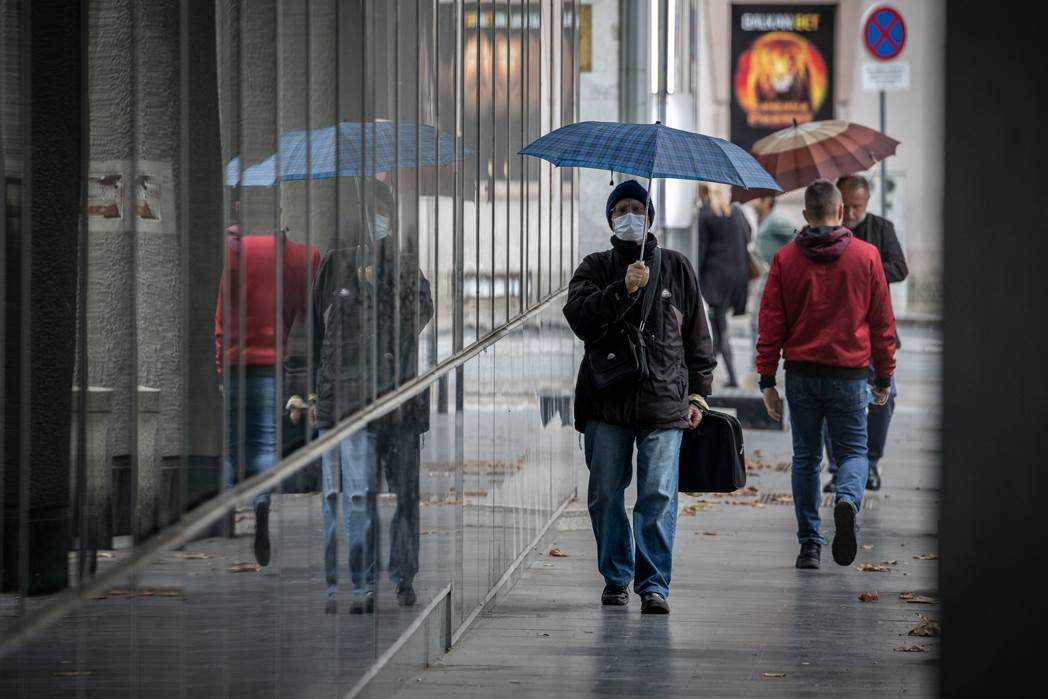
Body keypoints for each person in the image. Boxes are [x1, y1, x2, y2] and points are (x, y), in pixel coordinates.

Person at [564, 179, 717, 614]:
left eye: (637, 208)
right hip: (607, 401)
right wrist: (621, 291)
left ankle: (654, 584)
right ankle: (616, 576)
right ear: (611, 219)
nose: (629, 215)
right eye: (621, 209)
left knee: (657, 495)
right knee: (606, 494)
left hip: (664, 401)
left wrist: (699, 395)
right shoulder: (594, 267)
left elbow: (697, 341)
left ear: (650, 217)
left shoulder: (677, 267)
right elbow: (579, 319)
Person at [756, 180, 896, 570]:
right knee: (854, 452)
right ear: (839, 212)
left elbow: (770, 323)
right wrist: (883, 377)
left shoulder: (785, 259)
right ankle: (848, 501)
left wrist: (767, 380)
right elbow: (883, 323)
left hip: (800, 375)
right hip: (850, 375)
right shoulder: (867, 257)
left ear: (805, 215)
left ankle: (809, 546)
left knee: (805, 458)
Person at [311, 179, 433, 614]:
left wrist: (379, 288)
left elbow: (416, 320)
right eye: (369, 212)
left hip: (400, 403)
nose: (375, 220)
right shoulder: (333, 267)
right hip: (351, 400)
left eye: (382, 212)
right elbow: (317, 332)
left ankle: (403, 576)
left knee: (402, 492)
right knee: (354, 492)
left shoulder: (405, 269)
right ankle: (357, 581)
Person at [214, 223, 320, 567]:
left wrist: (220, 366)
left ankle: (229, 509)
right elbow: (305, 313)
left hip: (235, 364)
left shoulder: (233, 259)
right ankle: (261, 501)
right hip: (270, 363)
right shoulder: (293, 261)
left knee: (233, 442)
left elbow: (220, 320)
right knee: (264, 443)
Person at [823, 175, 909, 493]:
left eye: (858, 206)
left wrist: (866, 270)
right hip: (835, 332)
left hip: (874, 331)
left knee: (885, 398)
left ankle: (870, 462)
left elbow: (900, 268)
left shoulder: (882, 229)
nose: (852, 212)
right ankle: (838, 468)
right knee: (831, 403)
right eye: (846, 205)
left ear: (867, 203)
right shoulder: (827, 231)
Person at [697, 183, 751, 388]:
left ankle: (731, 379)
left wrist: (694, 278)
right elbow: (749, 233)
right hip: (737, 276)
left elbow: (701, 251)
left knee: (720, 327)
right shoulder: (736, 211)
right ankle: (716, 371)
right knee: (720, 326)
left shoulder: (705, 214)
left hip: (715, 279)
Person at [749, 195, 796, 340]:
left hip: (777, 277)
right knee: (757, 322)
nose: (753, 202)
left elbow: (798, 233)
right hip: (766, 275)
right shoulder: (762, 218)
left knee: (762, 323)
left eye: (757, 198)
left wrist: (787, 262)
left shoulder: (776, 219)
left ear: (767, 201)